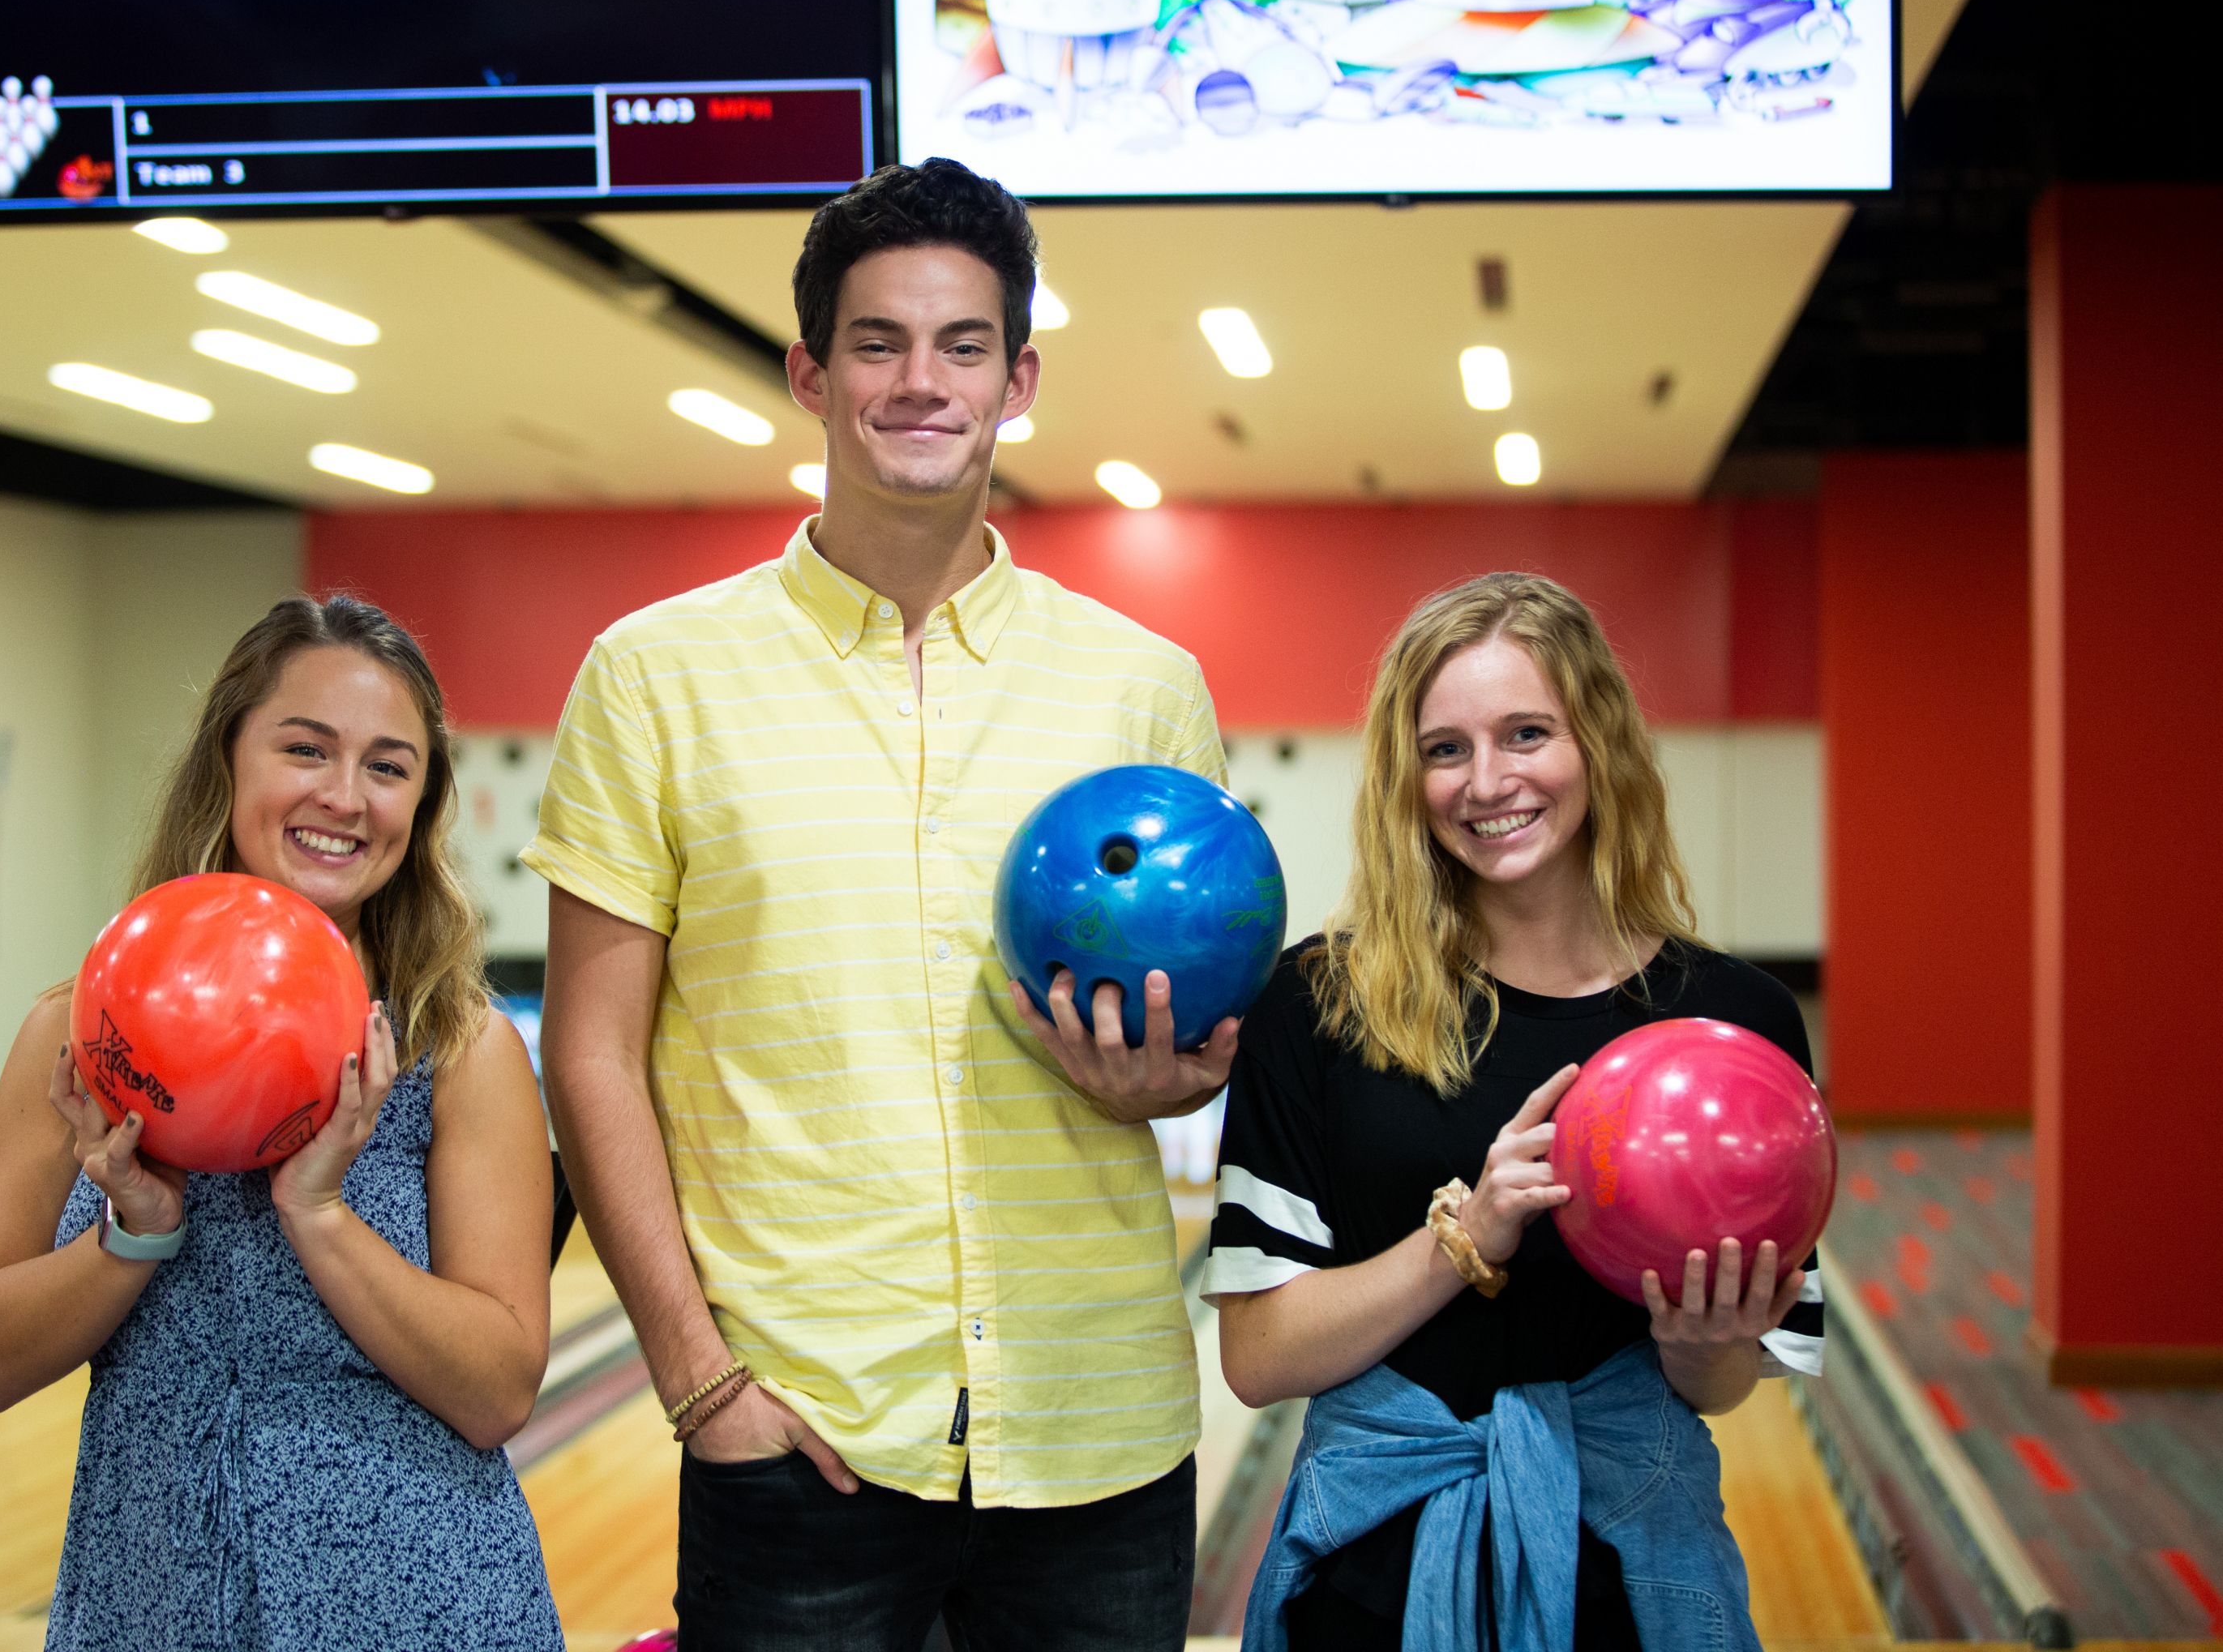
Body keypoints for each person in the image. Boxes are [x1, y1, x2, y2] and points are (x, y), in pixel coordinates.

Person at [524, 158, 1230, 1651]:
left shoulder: (1142, 685)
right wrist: (696, 1378)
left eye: (963, 345)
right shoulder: (653, 676)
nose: (923, 381)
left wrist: (1180, 1077)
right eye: (879, 343)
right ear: (810, 372)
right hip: (800, 1433)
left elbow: (1201, 1016)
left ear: (1018, 378)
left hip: (1093, 1421)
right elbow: (589, 1053)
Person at [1203, 572, 1825, 1649]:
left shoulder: (1735, 1025)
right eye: (1446, 749)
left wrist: (1701, 1344)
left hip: (1630, 1572)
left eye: (1526, 733)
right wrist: (1466, 1237)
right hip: (1376, 1576)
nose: (1488, 782)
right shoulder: (1318, 1005)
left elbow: (1724, 1388)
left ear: (1596, 743)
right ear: (1408, 778)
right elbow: (1258, 1358)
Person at [0, 595, 563, 1651]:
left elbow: (498, 1387)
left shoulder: (458, 1054)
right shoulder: (80, 1033)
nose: (344, 796)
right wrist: (134, 1232)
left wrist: (320, 1214)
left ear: (420, 804)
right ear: (226, 762)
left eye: (388, 766)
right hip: (157, 1597)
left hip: (419, 1600)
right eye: (304, 748)